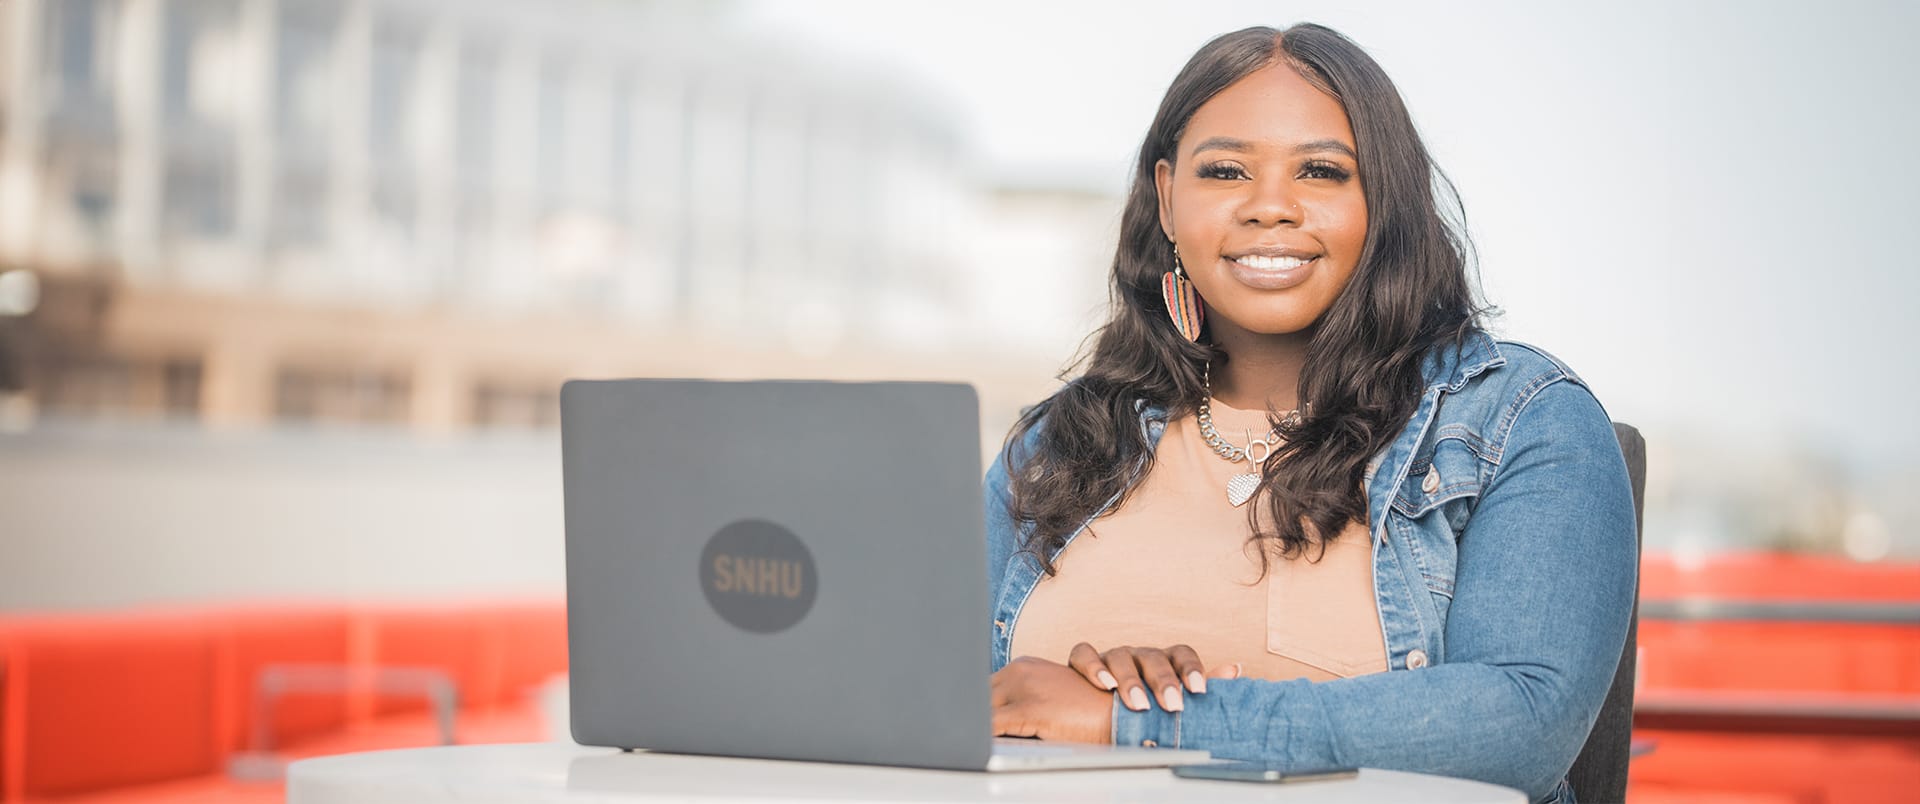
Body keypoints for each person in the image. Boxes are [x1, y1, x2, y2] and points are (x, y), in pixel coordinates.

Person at [982, 23, 1636, 804]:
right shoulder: (1057, 443)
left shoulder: (1522, 421)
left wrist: (1139, 723)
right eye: (1225, 170)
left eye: (1322, 172)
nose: (1269, 208)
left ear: (1384, 202)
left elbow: (1520, 725)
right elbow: (929, 700)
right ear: (1165, 198)